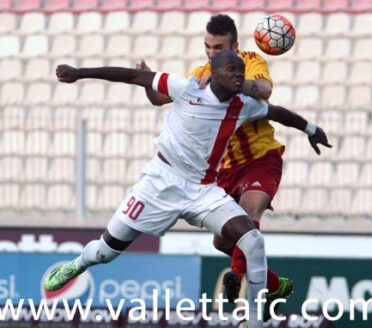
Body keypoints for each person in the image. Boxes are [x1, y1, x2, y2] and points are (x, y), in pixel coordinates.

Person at [44, 51, 330, 328]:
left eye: (241, 72)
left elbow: (278, 113)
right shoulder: (186, 88)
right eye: (232, 70)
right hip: (158, 184)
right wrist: (80, 73)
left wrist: (311, 128)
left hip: (203, 190)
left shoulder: (243, 104)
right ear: (214, 73)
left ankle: (254, 321)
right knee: (105, 253)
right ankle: (78, 264)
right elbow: (131, 76)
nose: (238, 76)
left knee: (253, 240)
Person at [136, 14, 301, 320]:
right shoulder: (201, 74)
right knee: (222, 240)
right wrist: (147, 79)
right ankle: (275, 285)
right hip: (224, 169)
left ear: (235, 46)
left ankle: (238, 279)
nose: (212, 53)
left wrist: (232, 82)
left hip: (260, 158)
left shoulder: (251, 61)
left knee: (250, 213)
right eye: (208, 47)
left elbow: (264, 90)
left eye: (219, 47)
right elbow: (159, 99)